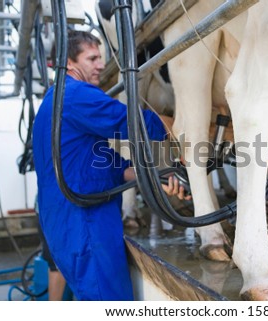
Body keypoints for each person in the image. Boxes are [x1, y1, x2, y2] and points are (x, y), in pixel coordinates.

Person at [33, 30, 187, 300]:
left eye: (100, 57)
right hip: (86, 226)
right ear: (68, 63)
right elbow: (131, 123)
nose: (101, 65)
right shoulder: (75, 95)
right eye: (92, 58)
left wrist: (159, 176)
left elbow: (112, 169)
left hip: (71, 223)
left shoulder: (54, 100)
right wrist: (185, 126)